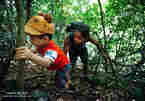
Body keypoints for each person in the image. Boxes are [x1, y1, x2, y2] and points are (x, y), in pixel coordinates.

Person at [16, 13, 71, 88]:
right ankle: (68, 80)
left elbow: (46, 63)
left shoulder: (52, 49)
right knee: (60, 77)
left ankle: (66, 88)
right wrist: (27, 52)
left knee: (59, 81)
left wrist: (30, 55)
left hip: (63, 66)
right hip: (57, 65)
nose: (30, 40)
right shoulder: (40, 44)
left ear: (45, 39)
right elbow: (34, 49)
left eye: (32, 38)